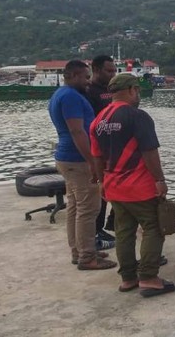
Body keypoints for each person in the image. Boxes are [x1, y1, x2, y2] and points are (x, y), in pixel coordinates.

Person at [90, 74, 175, 297]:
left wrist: (102, 182)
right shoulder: (137, 116)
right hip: (139, 186)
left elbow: (97, 157)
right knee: (153, 228)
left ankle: (128, 278)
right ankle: (149, 278)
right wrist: (160, 180)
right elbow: (149, 152)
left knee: (124, 232)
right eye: (137, 90)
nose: (138, 95)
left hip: (113, 187)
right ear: (131, 90)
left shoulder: (98, 120)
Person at [48, 59, 117, 270]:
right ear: (73, 76)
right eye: (85, 77)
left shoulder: (60, 94)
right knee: (89, 209)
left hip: (67, 158)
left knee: (75, 206)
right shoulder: (70, 97)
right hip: (77, 160)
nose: (88, 82)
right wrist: (92, 162)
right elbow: (77, 131)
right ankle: (87, 257)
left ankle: (79, 251)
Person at [85, 54, 117, 245]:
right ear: (96, 70)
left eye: (114, 70)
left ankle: (109, 224)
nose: (112, 74)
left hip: (114, 147)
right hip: (98, 147)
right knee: (100, 191)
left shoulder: (111, 89)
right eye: (109, 70)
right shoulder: (89, 92)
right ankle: (96, 231)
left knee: (114, 187)